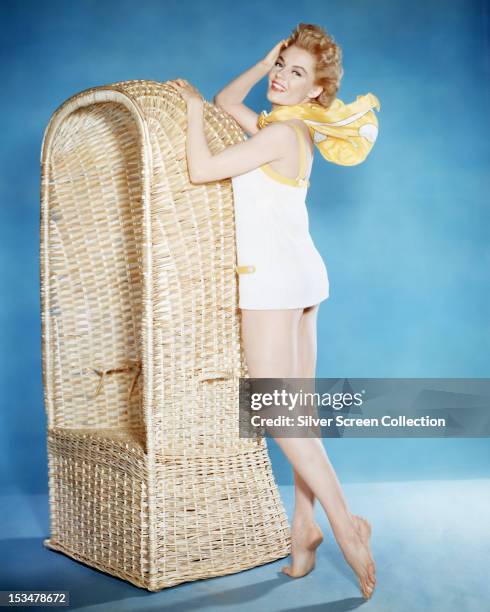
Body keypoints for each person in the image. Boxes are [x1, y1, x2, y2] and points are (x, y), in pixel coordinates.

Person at [167, 22, 380, 600]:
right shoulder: (280, 128)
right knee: (298, 415)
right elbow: (227, 102)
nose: (282, 79)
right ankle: (303, 531)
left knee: (274, 410)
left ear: (317, 90)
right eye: (281, 66)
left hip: (275, 284)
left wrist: (188, 111)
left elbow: (202, 168)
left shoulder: (281, 135)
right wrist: (263, 65)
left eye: (296, 73)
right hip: (304, 278)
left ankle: (343, 523)